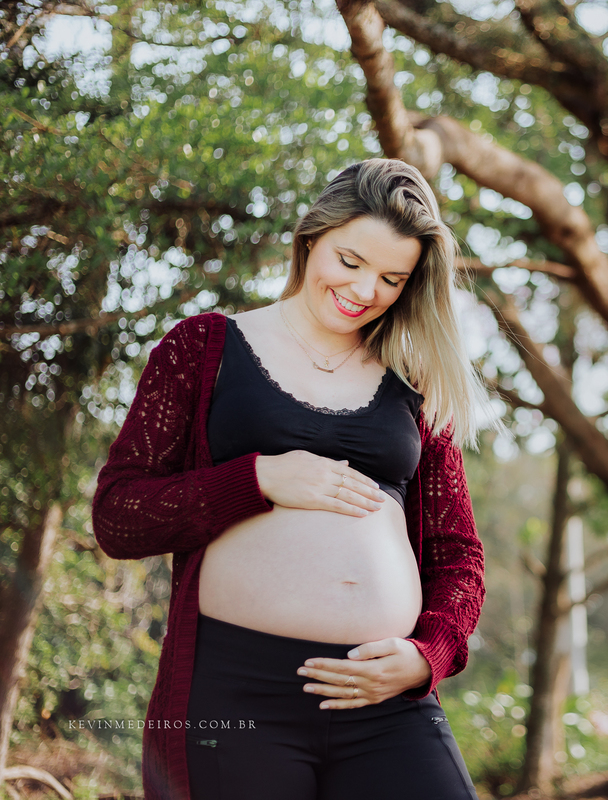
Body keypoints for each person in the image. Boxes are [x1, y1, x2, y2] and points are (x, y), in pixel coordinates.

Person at [92, 159, 489, 800]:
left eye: (392, 278)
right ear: (311, 241)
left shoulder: (416, 387)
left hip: (383, 699)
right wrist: (256, 480)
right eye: (350, 261)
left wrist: (428, 656)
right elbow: (119, 515)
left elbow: (457, 555)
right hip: (236, 694)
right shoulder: (202, 349)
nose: (365, 290)